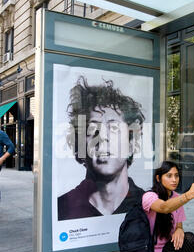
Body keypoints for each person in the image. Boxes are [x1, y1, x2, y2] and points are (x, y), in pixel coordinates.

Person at [58, 77, 145, 220]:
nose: (103, 136)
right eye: (93, 129)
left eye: (114, 127)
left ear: (131, 144)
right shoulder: (63, 208)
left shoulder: (146, 204)